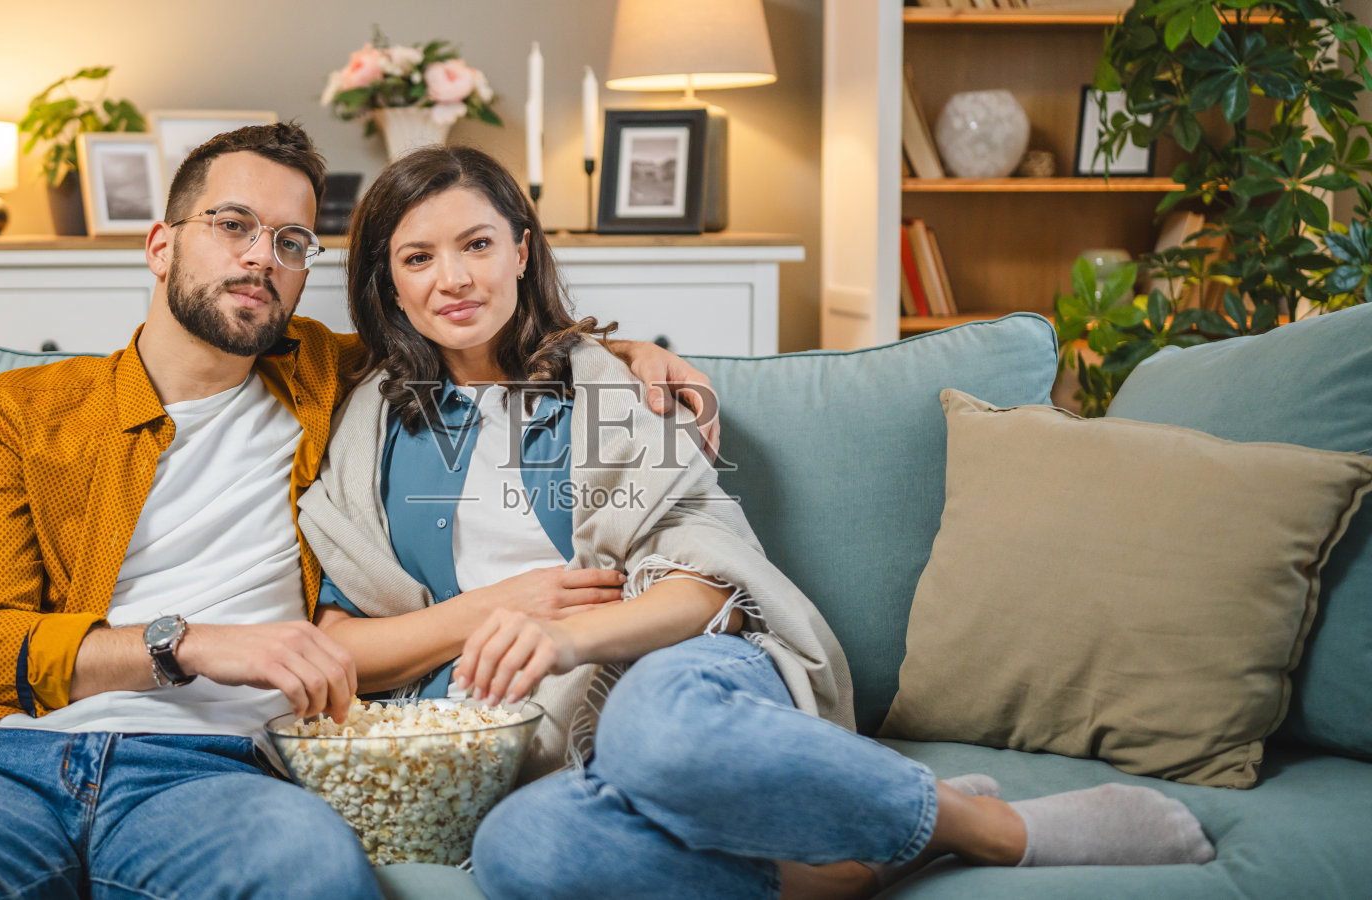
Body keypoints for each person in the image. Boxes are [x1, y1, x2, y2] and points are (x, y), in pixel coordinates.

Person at [0, 123, 714, 898]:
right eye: (233, 224)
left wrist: (618, 352)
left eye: (292, 242)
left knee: (312, 877)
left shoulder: (333, 380)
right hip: (3, 763)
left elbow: (465, 320)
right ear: (161, 243)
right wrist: (185, 642)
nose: (263, 256)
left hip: (223, 773)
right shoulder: (24, 412)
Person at [297, 145, 1219, 900]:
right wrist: (490, 612)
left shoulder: (606, 385)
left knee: (655, 732)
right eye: (417, 257)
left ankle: (983, 824)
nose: (453, 278)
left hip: (676, 667)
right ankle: (851, 860)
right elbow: (342, 637)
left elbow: (709, 583)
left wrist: (570, 634)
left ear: (522, 251)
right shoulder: (376, 420)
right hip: (517, 734)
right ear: (388, 280)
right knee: (521, 855)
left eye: (477, 244)